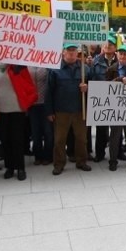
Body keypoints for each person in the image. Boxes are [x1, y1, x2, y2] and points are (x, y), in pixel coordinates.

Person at [0, 62, 37, 181]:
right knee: (5, 139)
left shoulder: (19, 66)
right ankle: (9, 167)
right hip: (0, 110)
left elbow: (29, 85)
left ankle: (20, 168)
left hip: (17, 108)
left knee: (18, 139)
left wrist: (27, 102)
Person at [46, 43, 91, 175]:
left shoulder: (85, 69)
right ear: (63, 52)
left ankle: (81, 161)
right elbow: (49, 92)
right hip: (61, 111)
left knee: (81, 139)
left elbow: (95, 87)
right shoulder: (55, 70)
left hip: (80, 110)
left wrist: (87, 88)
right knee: (59, 140)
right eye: (69, 51)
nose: (71, 53)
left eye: (73, 51)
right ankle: (59, 164)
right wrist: (49, 111)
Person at [106, 44, 126, 170]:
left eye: (125, 54)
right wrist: (119, 79)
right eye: (120, 53)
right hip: (116, 108)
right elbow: (105, 86)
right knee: (115, 136)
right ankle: (113, 160)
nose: (122, 56)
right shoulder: (111, 69)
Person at [90, 33, 118, 162]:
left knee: (116, 129)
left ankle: (117, 153)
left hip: (118, 101)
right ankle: (99, 154)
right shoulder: (95, 61)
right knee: (101, 129)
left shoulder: (122, 60)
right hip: (101, 101)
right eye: (106, 44)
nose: (108, 46)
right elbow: (91, 78)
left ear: (115, 47)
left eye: (111, 44)